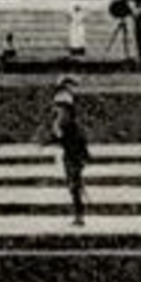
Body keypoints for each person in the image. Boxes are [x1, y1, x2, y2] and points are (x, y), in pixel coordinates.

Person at [49, 77, 89, 226]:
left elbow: (62, 137)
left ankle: (79, 215)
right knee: (74, 185)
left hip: (74, 155)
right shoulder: (65, 123)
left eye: (61, 110)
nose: (58, 112)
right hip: (71, 155)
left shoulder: (71, 127)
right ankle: (79, 214)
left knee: (74, 185)